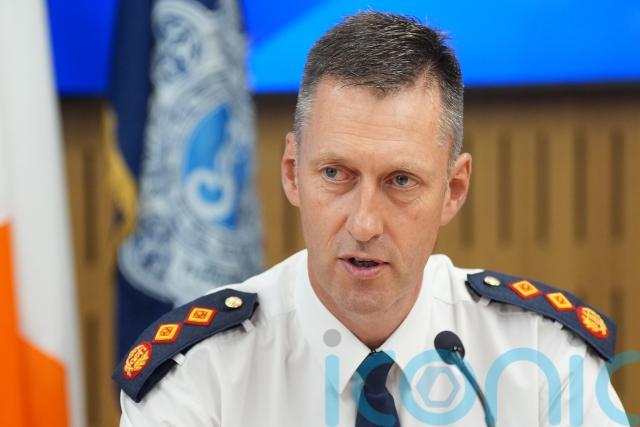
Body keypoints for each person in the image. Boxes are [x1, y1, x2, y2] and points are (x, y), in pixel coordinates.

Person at [114, 12, 629, 426]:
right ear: (292, 174)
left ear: (453, 190)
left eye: (400, 181)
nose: (364, 224)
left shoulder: (542, 355)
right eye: (335, 174)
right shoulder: (200, 372)